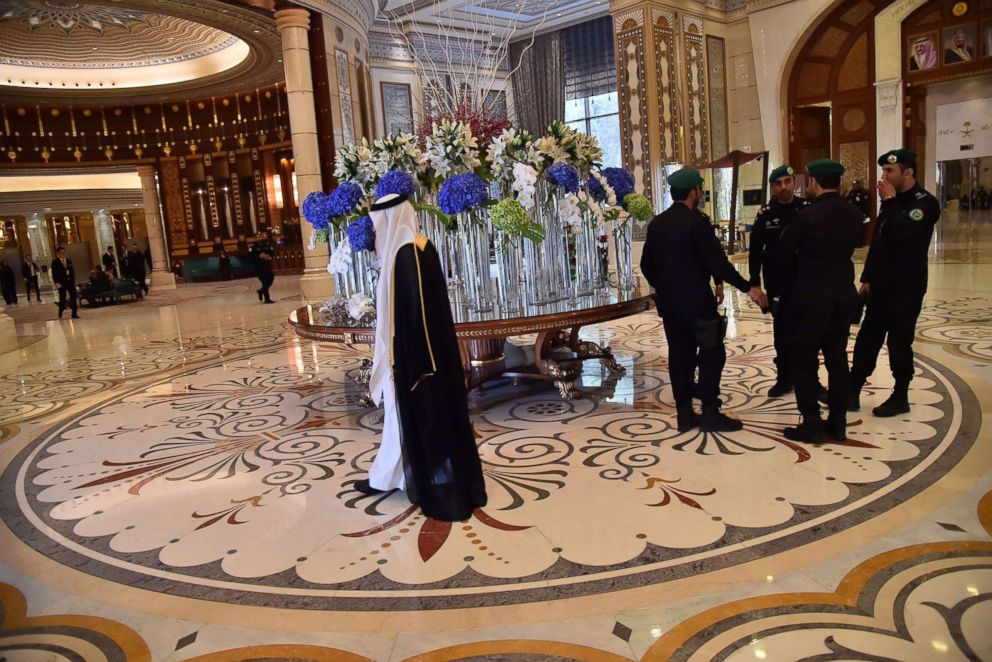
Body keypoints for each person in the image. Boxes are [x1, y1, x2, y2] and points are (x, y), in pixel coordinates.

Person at [354, 193, 488, 522]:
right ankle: (387, 476)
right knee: (395, 426)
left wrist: (412, 367)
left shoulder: (406, 255)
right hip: (425, 358)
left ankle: (416, 480)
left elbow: (416, 318)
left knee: (406, 422)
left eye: (378, 227)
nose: (376, 236)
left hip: (416, 361)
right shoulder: (419, 244)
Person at [640, 167, 767, 433]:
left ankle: (684, 415)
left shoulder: (657, 223)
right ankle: (710, 412)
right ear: (693, 192)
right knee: (711, 352)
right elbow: (718, 264)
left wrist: (664, 285)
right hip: (697, 301)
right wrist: (749, 288)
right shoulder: (696, 222)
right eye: (699, 189)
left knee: (679, 355)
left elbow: (646, 265)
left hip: (670, 304)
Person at [776, 159, 863, 443]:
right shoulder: (853, 213)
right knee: (837, 359)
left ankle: (812, 423)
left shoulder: (806, 216)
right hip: (842, 295)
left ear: (813, 182)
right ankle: (838, 422)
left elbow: (785, 255)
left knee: (803, 360)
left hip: (811, 298)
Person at [849, 149, 941, 417]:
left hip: (906, 287)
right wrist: (866, 278)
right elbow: (879, 242)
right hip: (880, 286)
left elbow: (900, 232)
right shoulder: (891, 203)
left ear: (908, 172)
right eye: (884, 171)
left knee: (899, 342)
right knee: (867, 339)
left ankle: (900, 395)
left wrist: (889, 202)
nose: (884, 177)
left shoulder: (925, 204)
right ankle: (852, 391)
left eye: (890, 171)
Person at [748, 164, 811, 396]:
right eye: (778, 183)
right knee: (782, 334)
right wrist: (755, 283)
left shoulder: (806, 209)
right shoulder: (765, 214)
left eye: (787, 181)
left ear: (795, 182)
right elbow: (755, 250)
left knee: (806, 334)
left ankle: (809, 380)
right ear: (772, 187)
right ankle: (784, 378)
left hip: (804, 281)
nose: (784, 187)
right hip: (777, 283)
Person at [50, 246, 79, 319]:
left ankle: (74, 313)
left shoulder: (69, 261)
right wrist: (56, 282)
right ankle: (61, 310)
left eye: (64, 252)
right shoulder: (55, 262)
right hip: (61, 283)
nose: (63, 254)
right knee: (62, 298)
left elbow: (72, 272)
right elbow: (54, 274)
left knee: (73, 297)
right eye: (61, 253)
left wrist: (73, 281)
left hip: (70, 282)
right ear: (58, 254)